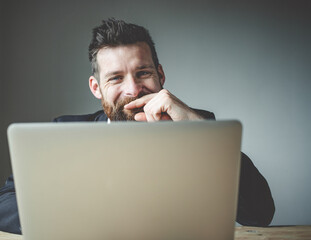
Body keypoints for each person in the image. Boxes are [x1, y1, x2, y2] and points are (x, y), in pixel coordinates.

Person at [0, 18, 275, 234]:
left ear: (161, 75)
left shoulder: (198, 127)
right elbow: (5, 203)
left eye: (143, 73)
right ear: (96, 88)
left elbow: (260, 213)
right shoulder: (62, 132)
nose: (133, 89)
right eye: (116, 78)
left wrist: (196, 127)